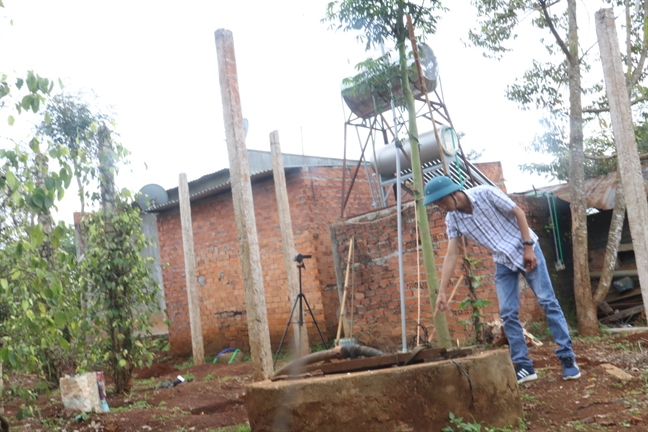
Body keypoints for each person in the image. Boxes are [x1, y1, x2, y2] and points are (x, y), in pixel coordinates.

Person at [424, 175, 580, 383]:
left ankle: (567, 358)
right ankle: (524, 365)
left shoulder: (485, 193)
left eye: (441, 201)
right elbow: (451, 254)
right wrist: (442, 292)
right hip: (503, 260)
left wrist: (528, 247)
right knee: (507, 312)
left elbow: (518, 212)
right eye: (437, 204)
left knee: (547, 301)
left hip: (526, 251)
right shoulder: (452, 219)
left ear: (453, 192)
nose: (441, 206)